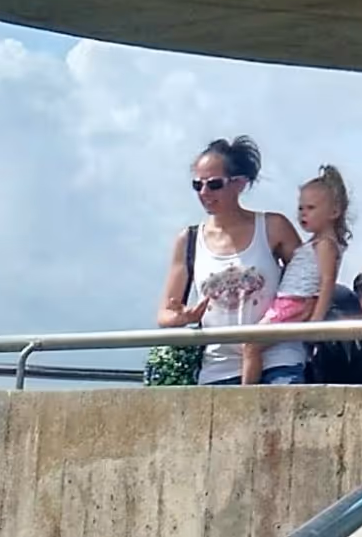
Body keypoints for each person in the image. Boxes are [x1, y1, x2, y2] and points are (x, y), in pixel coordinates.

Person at [150, 137, 305, 387]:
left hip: (277, 356)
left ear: (239, 184)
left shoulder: (273, 227)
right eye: (197, 185)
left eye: (214, 184)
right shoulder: (188, 240)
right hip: (219, 366)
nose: (204, 193)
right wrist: (185, 317)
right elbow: (165, 314)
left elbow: (308, 282)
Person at [257, 164, 350, 383]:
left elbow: (327, 281)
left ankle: (244, 391)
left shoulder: (326, 244)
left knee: (251, 344)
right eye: (301, 208)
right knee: (252, 343)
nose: (303, 214)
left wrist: (317, 317)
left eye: (310, 208)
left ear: (334, 212)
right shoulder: (315, 243)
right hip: (290, 300)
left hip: (295, 301)